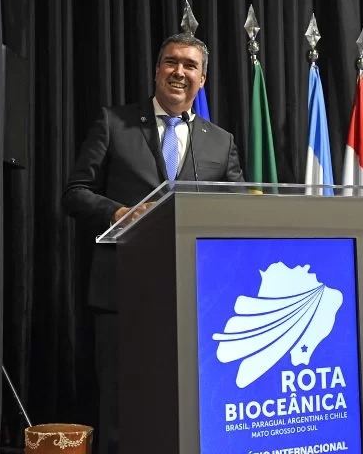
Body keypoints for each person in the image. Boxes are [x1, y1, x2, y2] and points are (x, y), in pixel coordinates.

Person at [62, 33, 244, 454]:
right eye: (170, 62)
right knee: (123, 408)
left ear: (203, 78)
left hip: (198, 298)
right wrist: (119, 213)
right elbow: (74, 193)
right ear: (156, 70)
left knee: (188, 406)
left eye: (190, 65)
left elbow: (237, 211)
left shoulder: (221, 141)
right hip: (124, 292)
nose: (179, 72)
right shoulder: (115, 123)